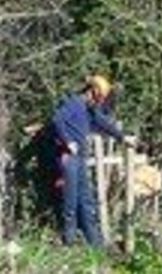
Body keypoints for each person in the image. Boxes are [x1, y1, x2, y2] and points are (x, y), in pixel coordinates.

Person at [52, 74, 127, 247]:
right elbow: (57, 119)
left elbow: (104, 123)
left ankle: (95, 244)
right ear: (92, 91)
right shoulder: (75, 103)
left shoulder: (89, 109)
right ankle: (68, 242)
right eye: (99, 97)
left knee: (86, 200)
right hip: (68, 158)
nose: (99, 102)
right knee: (70, 200)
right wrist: (67, 141)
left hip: (80, 158)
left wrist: (122, 138)